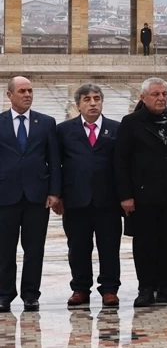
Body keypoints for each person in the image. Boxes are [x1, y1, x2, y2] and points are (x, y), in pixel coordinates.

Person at [116, 77, 167, 308]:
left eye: (164, 94)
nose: (161, 98)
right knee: (145, 242)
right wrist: (125, 195)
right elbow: (121, 161)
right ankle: (146, 287)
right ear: (143, 97)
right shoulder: (131, 123)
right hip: (142, 195)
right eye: (155, 94)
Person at [56, 83, 122, 309]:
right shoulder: (64, 130)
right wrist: (57, 194)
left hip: (108, 199)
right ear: (78, 105)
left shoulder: (116, 128)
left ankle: (110, 289)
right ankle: (80, 288)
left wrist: (126, 196)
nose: (93, 103)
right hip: (76, 199)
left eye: (96, 98)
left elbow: (123, 165)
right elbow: (57, 164)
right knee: (78, 247)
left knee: (109, 246)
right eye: (87, 99)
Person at [0, 76, 60, 313]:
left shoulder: (45, 122)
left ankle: (30, 295)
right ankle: (4, 294)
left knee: (34, 248)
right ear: (9, 95)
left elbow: (54, 160)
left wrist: (54, 191)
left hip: (37, 196)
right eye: (22, 91)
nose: (27, 95)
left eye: (30, 91)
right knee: (5, 249)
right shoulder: (0, 122)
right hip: (5, 196)